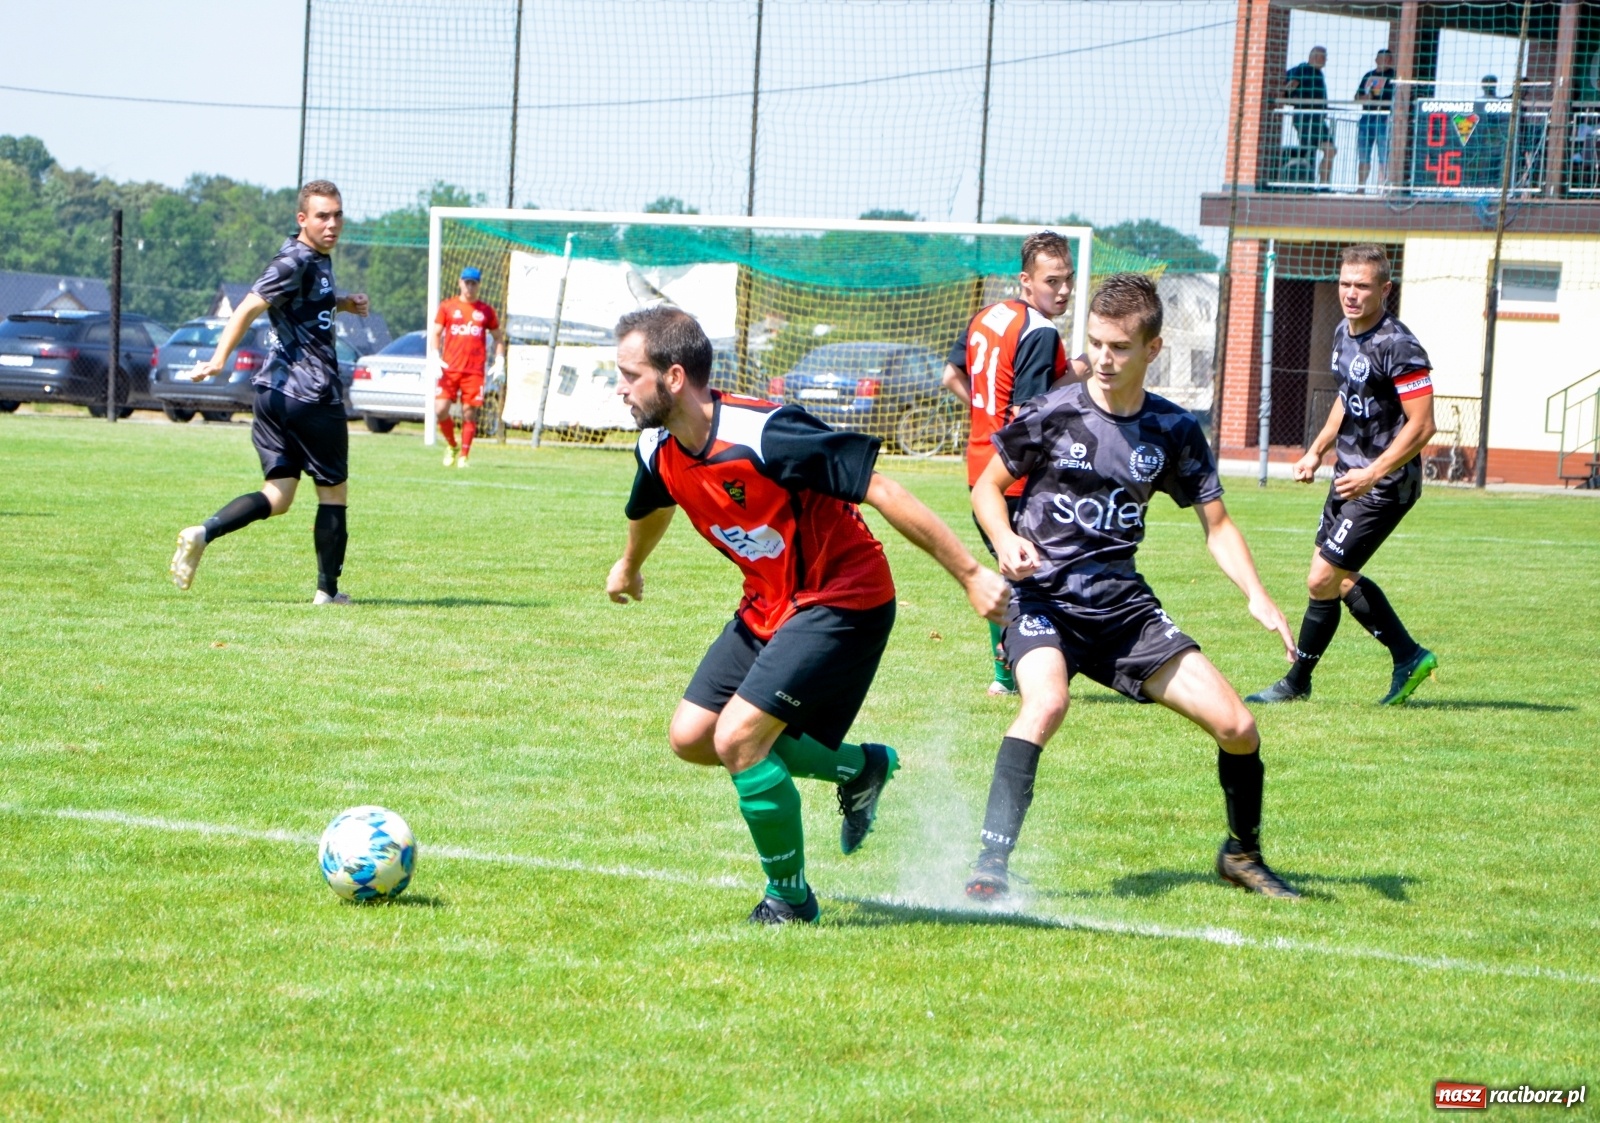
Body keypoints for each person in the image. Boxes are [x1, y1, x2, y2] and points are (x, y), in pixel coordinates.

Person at [606, 306, 1009, 925]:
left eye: (630, 375)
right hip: (771, 602)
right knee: (692, 737)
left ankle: (790, 900)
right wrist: (630, 565)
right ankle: (860, 768)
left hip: (844, 597)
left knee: (738, 739)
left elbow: (883, 489)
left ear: (674, 377)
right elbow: (652, 502)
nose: (620, 388)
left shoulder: (766, 433)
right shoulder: (656, 445)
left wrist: (973, 574)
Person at [964, 273, 1301, 902]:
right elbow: (987, 488)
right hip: (1044, 600)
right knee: (1046, 704)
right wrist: (1005, 539)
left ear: (1153, 349)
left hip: (1123, 611)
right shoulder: (1053, 412)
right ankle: (991, 864)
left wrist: (1256, 593)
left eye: (1119, 347)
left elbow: (1218, 525)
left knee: (1238, 726)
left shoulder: (1172, 430)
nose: (1103, 359)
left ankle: (1241, 854)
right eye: (1095, 343)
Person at [1248, 244, 1438, 707]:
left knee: (1322, 579)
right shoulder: (1343, 333)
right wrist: (1317, 450)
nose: (1351, 294)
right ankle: (1409, 656)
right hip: (1348, 476)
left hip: (1385, 485)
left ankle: (1297, 681)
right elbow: (1347, 397)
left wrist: (1373, 473)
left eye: (1363, 286)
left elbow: (1422, 425)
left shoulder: (1399, 345)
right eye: (1345, 284)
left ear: (1385, 290)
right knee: (1339, 578)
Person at [169, 180, 368, 604]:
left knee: (277, 496)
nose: (332, 224)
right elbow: (249, 306)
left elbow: (303, 302)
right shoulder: (294, 259)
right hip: (311, 394)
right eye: (322, 216)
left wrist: (343, 302)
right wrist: (218, 360)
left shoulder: (313, 258)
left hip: (272, 395)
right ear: (302, 219)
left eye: (337, 215)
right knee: (333, 493)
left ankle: (203, 532)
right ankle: (327, 593)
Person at [941, 230, 1086, 696]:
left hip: (980, 468)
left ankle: (1006, 676)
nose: (1063, 290)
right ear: (1026, 280)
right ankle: (1022, 670)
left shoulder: (988, 315)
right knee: (1044, 573)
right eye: (1052, 281)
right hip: (1015, 477)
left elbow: (951, 376)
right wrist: (1076, 375)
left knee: (1016, 570)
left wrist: (988, 416)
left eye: (1068, 280)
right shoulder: (1039, 331)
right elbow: (1029, 412)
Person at [430, 265, 504, 468]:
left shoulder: (486, 311)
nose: (470, 287)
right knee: (440, 409)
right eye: (467, 282)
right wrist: (435, 355)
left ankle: (464, 455)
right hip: (449, 369)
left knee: (469, 412)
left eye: (474, 283)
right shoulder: (448, 306)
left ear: (479, 285)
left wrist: (500, 361)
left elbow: (498, 337)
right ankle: (452, 445)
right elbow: (436, 332)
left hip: (474, 371)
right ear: (460, 283)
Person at [1286, 46, 1337, 185]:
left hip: (1318, 119)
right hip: (1306, 118)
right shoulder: (1304, 69)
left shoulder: (1318, 73)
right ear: (1314, 57)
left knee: (1330, 149)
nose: (1325, 60)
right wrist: (1290, 98)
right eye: (1323, 56)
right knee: (1309, 150)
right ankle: (1307, 183)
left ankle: (1323, 184)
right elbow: (1291, 85)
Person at [1354, 49, 1397, 191]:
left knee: (1384, 156)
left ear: (1390, 61)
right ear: (1376, 60)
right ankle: (1361, 188)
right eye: (1381, 58)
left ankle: (1382, 188)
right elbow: (1357, 97)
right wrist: (1365, 98)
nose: (1384, 61)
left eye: (1387, 59)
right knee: (1363, 156)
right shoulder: (1368, 75)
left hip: (1384, 118)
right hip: (1367, 117)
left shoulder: (1394, 76)